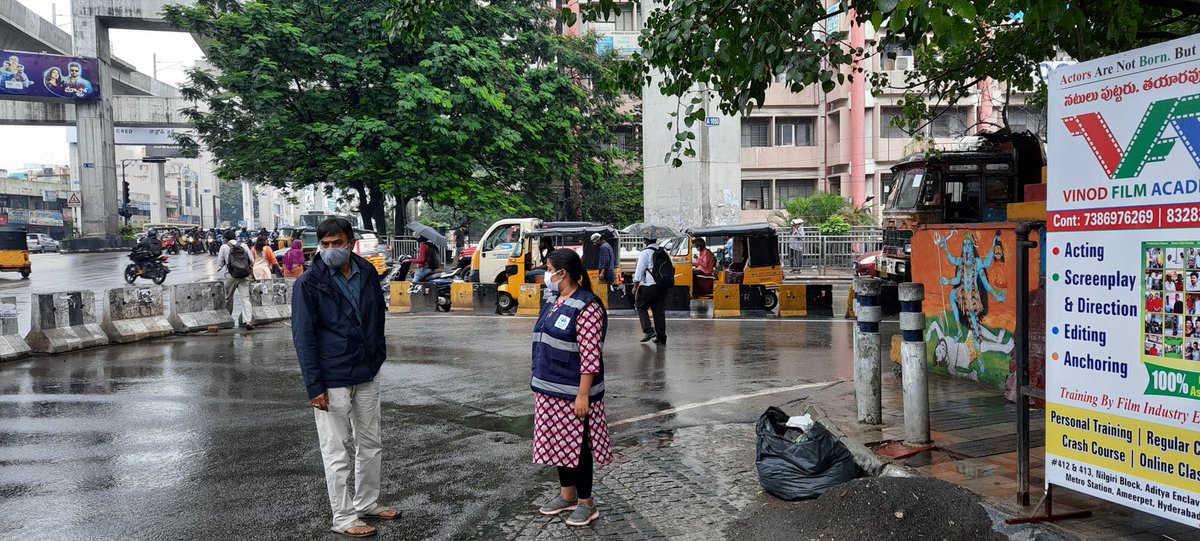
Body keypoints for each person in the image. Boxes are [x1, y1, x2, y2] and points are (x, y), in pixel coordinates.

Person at [292, 217, 396, 537]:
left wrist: (377, 357)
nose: (331, 250)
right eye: (324, 245)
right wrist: (314, 386)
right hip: (331, 376)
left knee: (370, 442)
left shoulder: (366, 272)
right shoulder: (309, 283)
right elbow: (303, 336)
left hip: (366, 369)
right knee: (336, 449)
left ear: (350, 242)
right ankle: (344, 516)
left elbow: (377, 316)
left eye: (337, 243)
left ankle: (367, 503)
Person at [530, 248, 612, 527]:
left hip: (574, 392)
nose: (545, 274)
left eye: (548, 268)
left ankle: (586, 503)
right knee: (558, 443)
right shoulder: (555, 299)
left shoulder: (587, 306)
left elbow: (590, 356)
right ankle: (567, 496)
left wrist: (583, 395)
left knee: (579, 446)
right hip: (550, 387)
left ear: (562, 273)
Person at [634, 236, 667, 346]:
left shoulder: (645, 253)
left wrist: (635, 285)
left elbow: (639, 271)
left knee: (640, 306)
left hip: (648, 286)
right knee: (659, 311)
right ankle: (661, 337)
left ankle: (648, 331)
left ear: (645, 241)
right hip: (661, 286)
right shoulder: (663, 251)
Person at [217, 230, 255, 327]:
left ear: (225, 239)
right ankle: (248, 321)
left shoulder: (224, 247)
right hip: (244, 275)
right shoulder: (243, 245)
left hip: (230, 276)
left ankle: (228, 320)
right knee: (245, 299)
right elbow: (252, 260)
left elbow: (220, 264)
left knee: (228, 299)